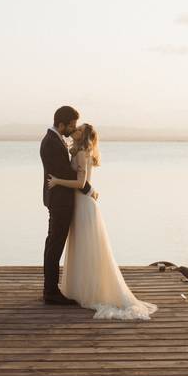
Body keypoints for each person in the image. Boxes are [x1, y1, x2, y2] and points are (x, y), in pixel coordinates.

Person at [47, 122, 157, 320]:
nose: (75, 131)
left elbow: (80, 183)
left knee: (87, 247)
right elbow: (84, 183)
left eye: (78, 130)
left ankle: (88, 292)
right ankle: (84, 289)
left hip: (83, 205)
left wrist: (57, 181)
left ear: (84, 136)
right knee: (86, 247)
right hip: (83, 202)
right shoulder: (81, 152)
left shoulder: (81, 154)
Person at [40, 106, 95, 304]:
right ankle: (51, 292)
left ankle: (50, 288)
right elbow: (65, 172)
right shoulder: (51, 143)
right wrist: (88, 189)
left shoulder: (55, 140)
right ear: (60, 124)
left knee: (52, 244)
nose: (72, 129)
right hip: (60, 202)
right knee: (55, 245)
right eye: (71, 125)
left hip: (58, 199)